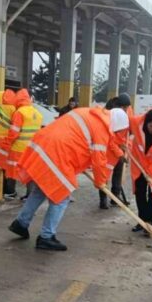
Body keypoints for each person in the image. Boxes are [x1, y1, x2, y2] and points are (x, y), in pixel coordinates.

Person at [9, 107, 129, 251]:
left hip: (44, 143)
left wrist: (118, 152)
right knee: (62, 196)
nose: (115, 134)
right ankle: (46, 237)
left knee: (42, 188)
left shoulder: (91, 114)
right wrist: (100, 182)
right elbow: (99, 160)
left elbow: (101, 142)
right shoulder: (101, 128)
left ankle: (21, 223)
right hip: (58, 152)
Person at [4, 89, 42, 193]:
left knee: (12, 169)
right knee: (29, 171)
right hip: (31, 149)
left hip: (18, 148)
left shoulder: (19, 112)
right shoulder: (37, 113)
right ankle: (29, 194)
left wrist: (6, 143)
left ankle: (10, 192)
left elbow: (14, 132)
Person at [99, 93, 133, 209]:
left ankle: (115, 197)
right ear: (121, 105)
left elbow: (126, 135)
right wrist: (119, 153)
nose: (126, 110)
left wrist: (126, 148)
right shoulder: (111, 114)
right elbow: (110, 139)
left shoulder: (126, 112)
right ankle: (103, 199)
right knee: (104, 175)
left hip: (118, 148)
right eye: (125, 107)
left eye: (127, 108)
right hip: (108, 150)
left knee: (118, 172)